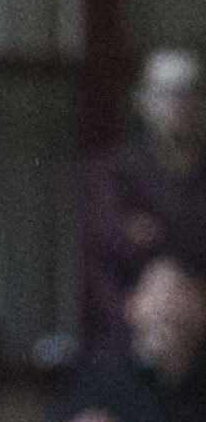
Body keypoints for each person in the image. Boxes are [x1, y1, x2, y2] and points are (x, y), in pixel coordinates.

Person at [75, 47, 206, 362]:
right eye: (165, 96)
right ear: (143, 102)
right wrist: (136, 316)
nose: (176, 107)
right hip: (127, 346)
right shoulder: (112, 174)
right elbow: (101, 257)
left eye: (186, 96)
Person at [39, 257, 206, 422]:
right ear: (131, 305)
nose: (166, 305)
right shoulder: (99, 387)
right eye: (156, 293)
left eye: (179, 293)